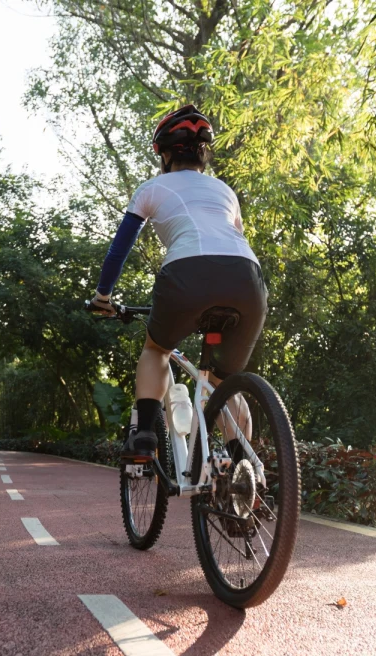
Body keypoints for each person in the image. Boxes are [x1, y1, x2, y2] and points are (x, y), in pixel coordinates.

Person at [86, 105, 267, 461]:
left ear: (164, 153)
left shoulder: (152, 188)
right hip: (248, 279)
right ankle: (242, 471)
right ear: (203, 153)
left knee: (157, 349)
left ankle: (146, 436)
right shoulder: (225, 191)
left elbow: (118, 251)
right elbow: (234, 242)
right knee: (225, 382)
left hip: (187, 275)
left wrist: (102, 297)